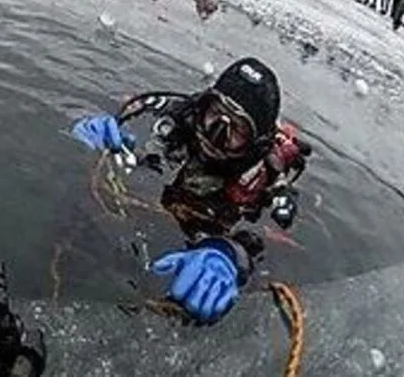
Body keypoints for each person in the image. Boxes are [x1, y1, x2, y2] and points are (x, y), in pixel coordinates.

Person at [70, 58, 312, 323]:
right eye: (215, 114)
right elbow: (124, 123)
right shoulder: (175, 122)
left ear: (256, 142)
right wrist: (87, 140)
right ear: (203, 105)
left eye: (238, 129)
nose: (218, 132)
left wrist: (233, 254)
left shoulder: (265, 179)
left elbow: (277, 242)